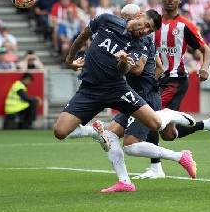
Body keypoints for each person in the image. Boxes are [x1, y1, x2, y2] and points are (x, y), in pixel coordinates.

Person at [52, 10, 196, 166]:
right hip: (89, 90)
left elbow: (124, 71)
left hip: (117, 89)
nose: (146, 31)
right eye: (147, 26)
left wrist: (122, 62)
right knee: (60, 132)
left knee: (155, 124)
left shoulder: (139, 45)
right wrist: (69, 60)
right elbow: (84, 35)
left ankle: (168, 114)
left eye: (150, 31)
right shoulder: (106, 20)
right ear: (139, 16)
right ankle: (95, 131)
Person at [96, 4, 200, 193]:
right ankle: (125, 182)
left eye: (128, 18)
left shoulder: (142, 40)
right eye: (123, 18)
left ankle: (180, 155)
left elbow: (137, 68)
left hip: (144, 99)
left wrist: (146, 85)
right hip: (133, 97)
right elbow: (159, 66)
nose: (125, 22)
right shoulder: (129, 36)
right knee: (109, 134)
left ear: (138, 16)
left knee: (130, 146)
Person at [135, 0, 210, 180]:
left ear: (180, 0)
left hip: (175, 80)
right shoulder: (152, 24)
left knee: (151, 118)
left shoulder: (184, 25)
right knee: (168, 134)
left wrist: (204, 67)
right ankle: (207, 124)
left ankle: (156, 168)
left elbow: (206, 50)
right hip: (155, 80)